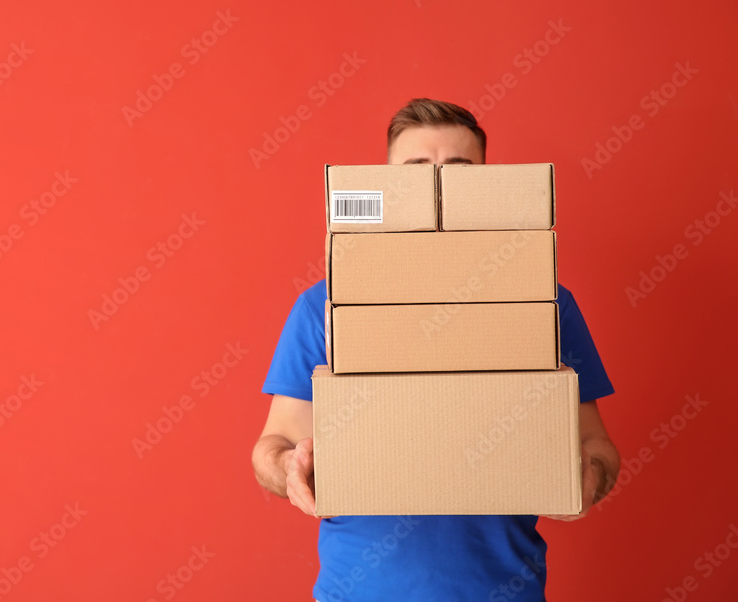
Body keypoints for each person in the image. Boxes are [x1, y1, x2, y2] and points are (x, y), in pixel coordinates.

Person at [251, 98, 621, 601]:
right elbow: (273, 446)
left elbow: (597, 446)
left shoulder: (544, 300)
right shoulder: (326, 305)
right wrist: (289, 471)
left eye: (459, 173)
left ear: (488, 184)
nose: (437, 190)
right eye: (415, 173)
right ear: (385, 182)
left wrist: (588, 477)